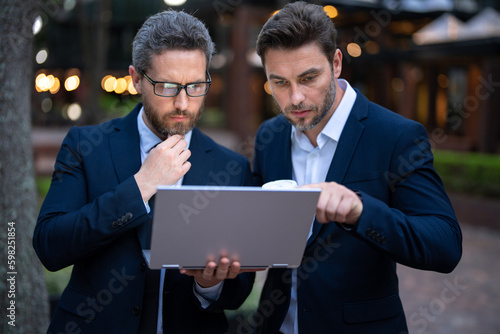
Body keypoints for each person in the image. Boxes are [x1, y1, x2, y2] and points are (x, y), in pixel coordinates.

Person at [33, 10, 255, 334]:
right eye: (167, 86)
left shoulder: (231, 167)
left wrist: (210, 285)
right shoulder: (86, 146)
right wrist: (140, 187)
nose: (183, 103)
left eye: (196, 85)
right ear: (136, 79)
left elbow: (242, 284)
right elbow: (50, 246)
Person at [250, 2, 462, 333]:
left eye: (308, 78)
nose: (295, 98)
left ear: (336, 63)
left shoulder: (396, 136)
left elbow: (445, 246)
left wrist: (360, 211)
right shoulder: (269, 136)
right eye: (279, 82)